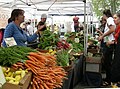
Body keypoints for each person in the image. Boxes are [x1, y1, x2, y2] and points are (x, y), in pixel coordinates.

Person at [98, 9, 116, 84]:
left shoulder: (109, 19)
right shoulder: (110, 20)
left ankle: (109, 80)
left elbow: (112, 29)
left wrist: (102, 36)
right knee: (107, 62)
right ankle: (108, 78)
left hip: (109, 44)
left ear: (105, 15)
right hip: (108, 43)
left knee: (107, 62)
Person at [111, 12, 120, 83]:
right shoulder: (117, 28)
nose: (114, 20)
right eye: (113, 18)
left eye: (115, 18)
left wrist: (113, 42)